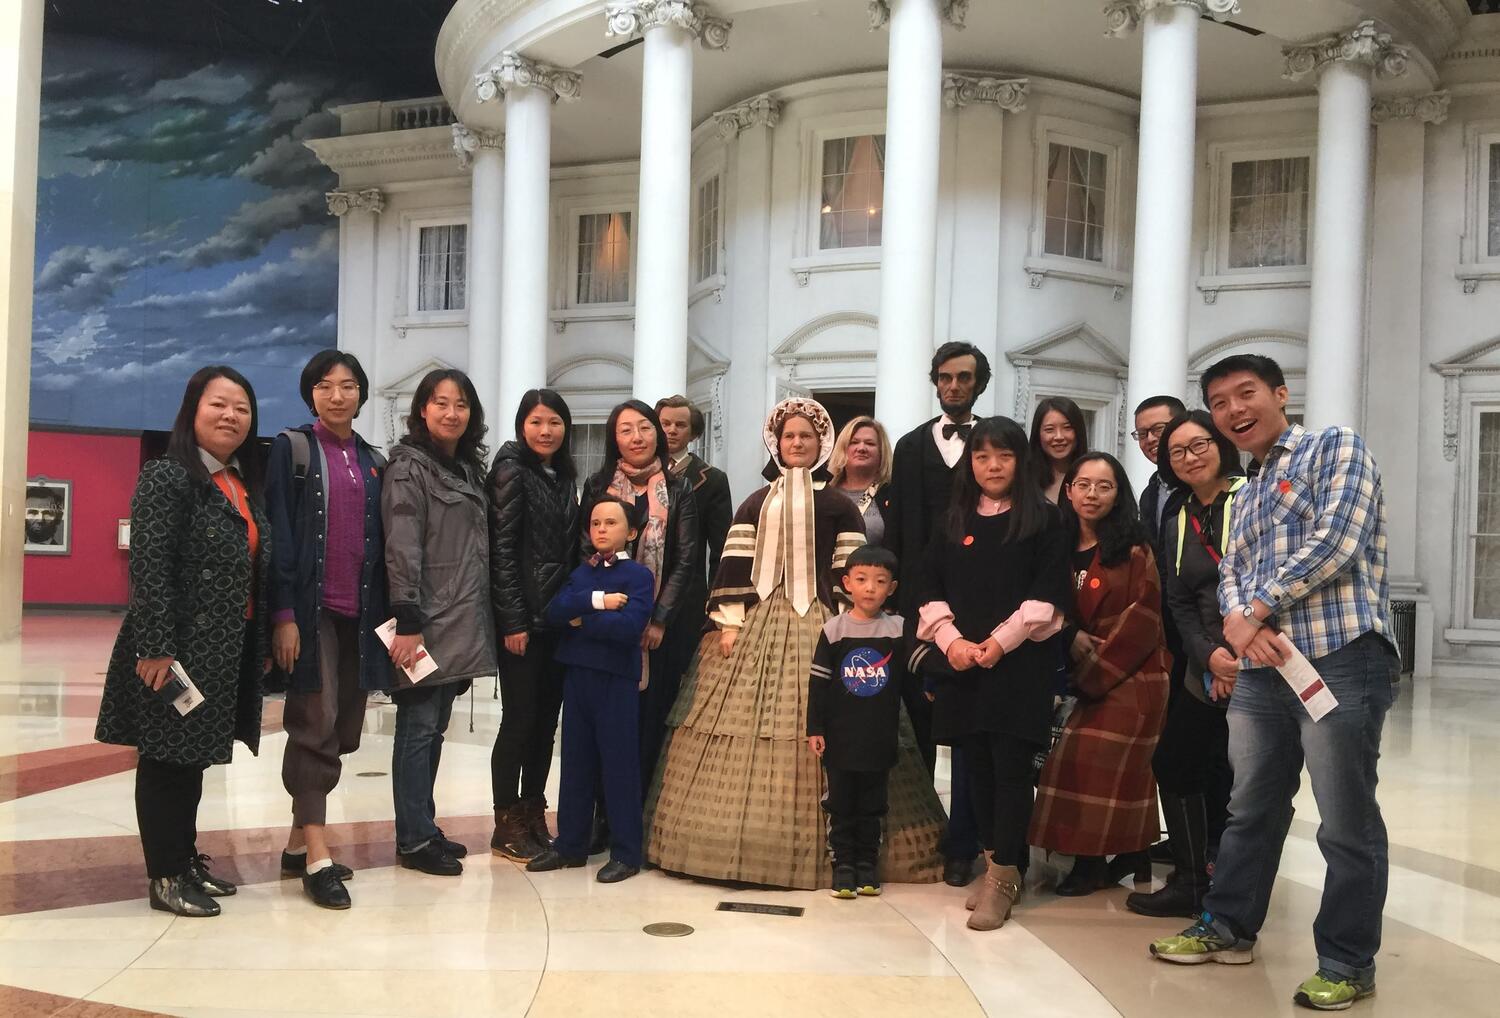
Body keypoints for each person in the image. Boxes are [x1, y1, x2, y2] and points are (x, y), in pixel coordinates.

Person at [1149, 355, 1401, 1014]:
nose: (1234, 410)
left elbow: (1337, 539)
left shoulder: (1333, 447)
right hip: (1263, 671)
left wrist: (1252, 611)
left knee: (1345, 820)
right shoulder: (1250, 485)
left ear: (1280, 393)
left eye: (1246, 394)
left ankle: (1348, 961)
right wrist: (1237, 622)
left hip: (1340, 653)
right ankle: (1229, 925)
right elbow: (1230, 566)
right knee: (1250, 807)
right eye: (1220, 401)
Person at [647, 397, 945, 890]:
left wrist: (851, 612)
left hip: (826, 619)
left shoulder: (839, 504)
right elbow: (734, 562)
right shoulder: (754, 500)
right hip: (758, 619)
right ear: (776, 443)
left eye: (807, 436)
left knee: (840, 710)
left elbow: (851, 567)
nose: (798, 443)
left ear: (822, 443)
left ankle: (856, 852)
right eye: (789, 436)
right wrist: (728, 621)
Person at [95, 365, 270, 918]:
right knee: (167, 761)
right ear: (192, 411)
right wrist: (155, 648)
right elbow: (150, 567)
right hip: (175, 651)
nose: (231, 416)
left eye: (241, 408)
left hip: (223, 648)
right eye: (218, 405)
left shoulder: (236, 482)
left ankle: (184, 858)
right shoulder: (168, 477)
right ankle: (165, 876)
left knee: (190, 762)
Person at [915, 416, 1071, 930]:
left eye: (1003, 455)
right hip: (963, 663)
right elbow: (929, 588)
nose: (992, 465)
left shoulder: (1047, 520)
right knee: (973, 769)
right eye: (982, 456)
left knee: (1009, 771)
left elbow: (1045, 601)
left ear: (1020, 461)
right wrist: (951, 641)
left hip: (1019, 665)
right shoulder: (952, 520)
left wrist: (997, 644)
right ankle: (992, 863)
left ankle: (1005, 877)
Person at [266, 350, 392, 910]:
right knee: (313, 724)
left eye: (348, 386)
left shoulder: (373, 460)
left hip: (360, 618)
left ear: (362, 394)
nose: (337, 395)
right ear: (310, 393)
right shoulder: (292, 450)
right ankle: (318, 854)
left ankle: (297, 842)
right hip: (311, 614)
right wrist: (285, 615)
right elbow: (279, 537)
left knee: (345, 729)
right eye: (325, 386)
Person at [1028, 452, 1168, 896]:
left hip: (1133, 672)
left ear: (1118, 493)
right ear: (1068, 491)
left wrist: (1091, 670)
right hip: (1072, 672)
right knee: (1067, 754)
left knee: (1086, 755)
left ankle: (1090, 863)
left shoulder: (1133, 549)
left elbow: (1143, 619)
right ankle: (1132, 851)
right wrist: (1068, 637)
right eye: (1083, 484)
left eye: (1104, 486)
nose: (1092, 494)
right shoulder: (1056, 545)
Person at [1127, 411, 1242, 918]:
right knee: (1175, 761)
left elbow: (1263, 582)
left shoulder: (1254, 496)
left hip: (1260, 654)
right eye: (1177, 452)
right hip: (1206, 660)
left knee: (1250, 775)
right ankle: (1192, 879)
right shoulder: (1177, 514)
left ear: (1220, 445)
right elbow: (1178, 596)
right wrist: (1209, 656)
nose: (1189, 457)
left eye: (1198, 445)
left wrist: (1232, 655)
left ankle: (1237, 882)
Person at [382, 369, 496, 877]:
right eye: (441, 403)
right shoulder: (409, 469)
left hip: (458, 620)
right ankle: (412, 839)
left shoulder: (465, 469)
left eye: (461, 405)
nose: (452, 413)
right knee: (417, 728)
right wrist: (407, 620)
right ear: (422, 410)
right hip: (424, 622)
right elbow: (402, 546)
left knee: (434, 730)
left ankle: (423, 826)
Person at [885, 340, 990, 886]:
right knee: (921, 724)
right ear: (935, 382)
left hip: (982, 604)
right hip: (921, 607)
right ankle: (926, 836)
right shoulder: (908, 446)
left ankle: (968, 841)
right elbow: (901, 530)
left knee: (973, 730)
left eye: (964, 378)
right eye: (946, 377)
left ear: (979, 383)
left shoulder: (995, 444)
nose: (954, 386)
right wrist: (904, 610)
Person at [527, 496, 656, 883]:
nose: (601, 529)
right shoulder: (583, 572)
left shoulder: (638, 576)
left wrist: (582, 621)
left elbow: (629, 628)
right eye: (596, 523)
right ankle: (570, 845)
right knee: (576, 763)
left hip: (615, 678)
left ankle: (626, 852)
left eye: (611, 523)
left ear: (631, 532)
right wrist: (597, 603)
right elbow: (554, 612)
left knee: (618, 765)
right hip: (578, 676)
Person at [579, 401, 700, 791]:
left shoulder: (680, 487)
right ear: (614, 439)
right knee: (604, 721)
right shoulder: (598, 487)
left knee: (647, 722)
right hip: (606, 624)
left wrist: (659, 617)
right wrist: (602, 610)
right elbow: (584, 549)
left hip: (656, 631)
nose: (637, 437)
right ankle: (602, 815)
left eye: (645, 428)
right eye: (626, 429)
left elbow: (686, 558)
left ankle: (636, 815)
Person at [486, 389, 580, 861]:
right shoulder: (510, 471)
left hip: (557, 621)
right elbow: (502, 551)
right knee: (519, 722)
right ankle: (506, 822)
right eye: (537, 422)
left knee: (545, 724)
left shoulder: (561, 476)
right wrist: (513, 619)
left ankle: (533, 810)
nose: (546, 431)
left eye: (555, 422)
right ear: (522, 425)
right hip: (523, 623)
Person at [807, 544, 905, 899]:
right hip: (840, 738)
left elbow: (910, 676)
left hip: (880, 737)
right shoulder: (834, 630)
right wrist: (814, 728)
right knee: (841, 803)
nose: (869, 588)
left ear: (891, 588)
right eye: (861, 579)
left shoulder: (897, 629)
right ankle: (843, 865)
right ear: (847, 583)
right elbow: (818, 684)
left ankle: (867, 864)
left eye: (880, 581)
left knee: (873, 804)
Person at [651, 394, 729, 778]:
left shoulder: (711, 480)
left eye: (680, 425)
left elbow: (722, 548)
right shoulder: (639, 472)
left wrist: (713, 605)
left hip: (688, 599)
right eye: (665, 423)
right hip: (640, 595)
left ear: (693, 432)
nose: (671, 431)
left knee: (675, 692)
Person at [828, 416, 893, 548]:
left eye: (870, 443)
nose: (861, 448)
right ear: (843, 448)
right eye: (854, 442)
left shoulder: (892, 495)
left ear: (882, 451)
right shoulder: (825, 493)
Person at [1030, 396, 1089, 504]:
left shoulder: (1093, 475)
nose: (1059, 437)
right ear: (1037, 434)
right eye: (1049, 429)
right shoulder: (1024, 478)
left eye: (1067, 428)